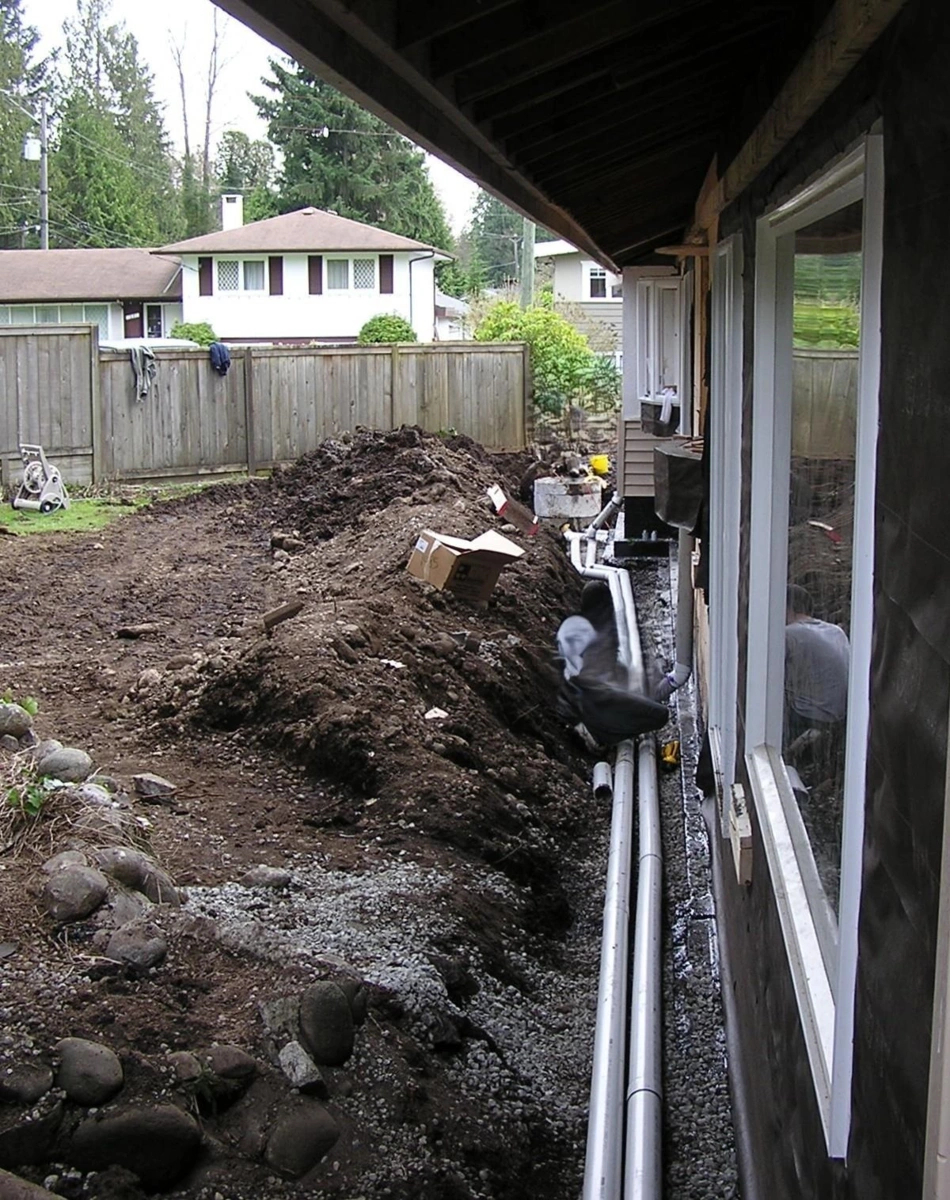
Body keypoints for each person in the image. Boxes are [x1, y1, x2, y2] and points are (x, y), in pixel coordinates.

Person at [555, 581, 669, 750]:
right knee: (661, 715)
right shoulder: (599, 633)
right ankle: (600, 735)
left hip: (587, 699)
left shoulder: (579, 628)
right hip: (595, 700)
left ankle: (601, 729)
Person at [784, 584, 850, 749]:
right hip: (843, 717)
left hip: (809, 715)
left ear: (787, 608)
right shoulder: (835, 631)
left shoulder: (788, 634)